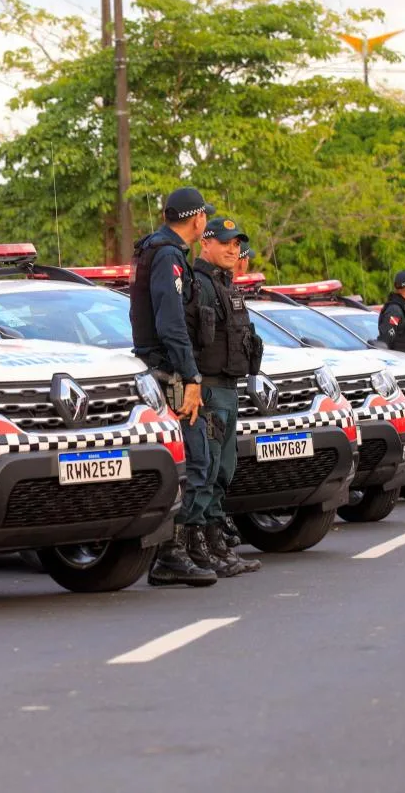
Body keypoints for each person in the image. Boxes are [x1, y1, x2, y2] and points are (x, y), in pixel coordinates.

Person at [129, 186, 217, 588]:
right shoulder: (168, 256)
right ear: (197, 219)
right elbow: (171, 324)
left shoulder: (162, 250)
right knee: (194, 459)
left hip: (167, 368)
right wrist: (191, 377)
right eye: (205, 218)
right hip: (171, 372)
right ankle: (170, 554)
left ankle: (180, 549)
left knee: (194, 458)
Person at [188, 217, 264, 578]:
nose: (233, 249)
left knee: (224, 470)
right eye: (225, 243)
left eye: (237, 244)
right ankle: (198, 545)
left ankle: (216, 542)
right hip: (208, 388)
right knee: (208, 469)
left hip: (229, 388)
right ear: (205, 243)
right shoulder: (197, 284)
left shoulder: (224, 284)